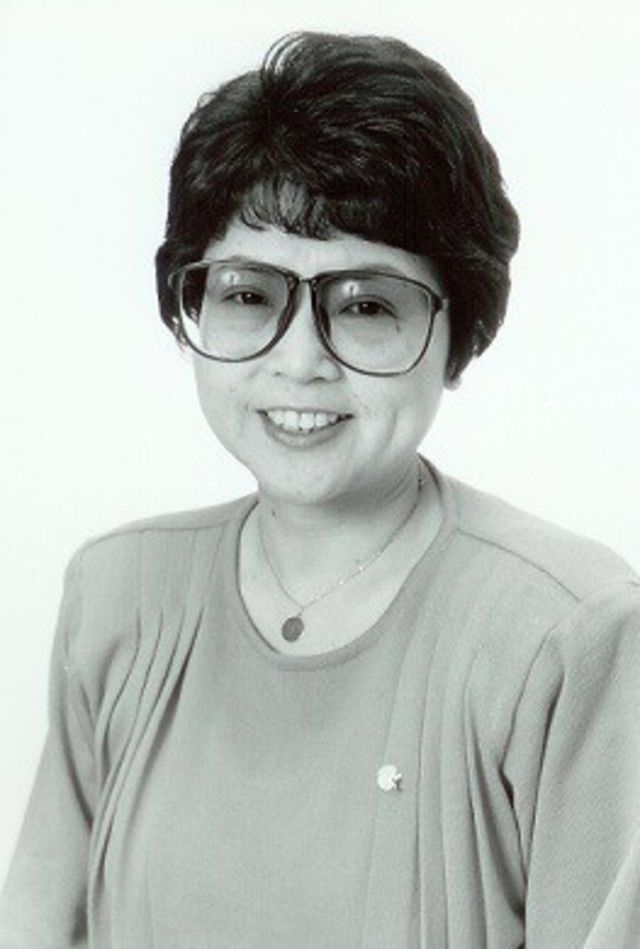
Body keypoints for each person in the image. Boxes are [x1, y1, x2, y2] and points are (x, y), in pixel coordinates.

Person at [1, 29, 639, 949]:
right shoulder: (116, 597)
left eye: (366, 304)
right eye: (249, 294)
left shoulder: (568, 633)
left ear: (459, 332)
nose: (300, 360)